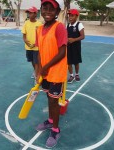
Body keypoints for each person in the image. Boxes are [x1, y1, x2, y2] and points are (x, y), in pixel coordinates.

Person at [35, 0, 67, 148]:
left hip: (55, 72)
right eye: (44, 8)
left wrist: (46, 67)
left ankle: (55, 129)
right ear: (41, 10)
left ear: (57, 12)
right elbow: (40, 51)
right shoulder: (39, 29)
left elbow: (62, 52)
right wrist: (39, 70)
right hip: (45, 72)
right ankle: (50, 120)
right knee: (49, 97)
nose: (47, 12)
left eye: (51, 9)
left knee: (54, 101)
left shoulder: (59, 27)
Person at [21, 6, 42, 81]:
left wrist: (36, 44)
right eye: (28, 13)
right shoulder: (26, 23)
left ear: (35, 14)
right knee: (32, 61)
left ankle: (37, 76)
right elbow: (24, 36)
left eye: (31, 13)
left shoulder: (39, 24)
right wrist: (25, 41)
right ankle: (36, 71)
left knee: (36, 62)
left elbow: (41, 37)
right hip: (28, 47)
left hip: (36, 47)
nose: (29, 14)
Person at [67, 9, 85, 83]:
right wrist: (66, 39)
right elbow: (65, 35)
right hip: (68, 46)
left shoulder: (79, 24)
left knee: (76, 62)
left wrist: (74, 40)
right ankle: (71, 75)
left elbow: (82, 36)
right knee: (69, 62)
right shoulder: (67, 25)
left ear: (76, 16)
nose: (70, 17)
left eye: (72, 16)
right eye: (69, 16)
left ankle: (77, 74)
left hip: (76, 46)